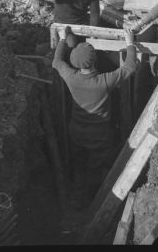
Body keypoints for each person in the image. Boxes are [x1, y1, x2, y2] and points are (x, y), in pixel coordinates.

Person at [53, 28, 139, 207]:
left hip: (76, 132)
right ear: (95, 61)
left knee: (79, 163)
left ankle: (77, 196)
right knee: (96, 167)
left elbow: (56, 61)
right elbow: (130, 67)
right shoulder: (104, 81)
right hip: (99, 135)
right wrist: (130, 43)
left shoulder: (71, 77)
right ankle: (92, 200)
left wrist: (62, 39)